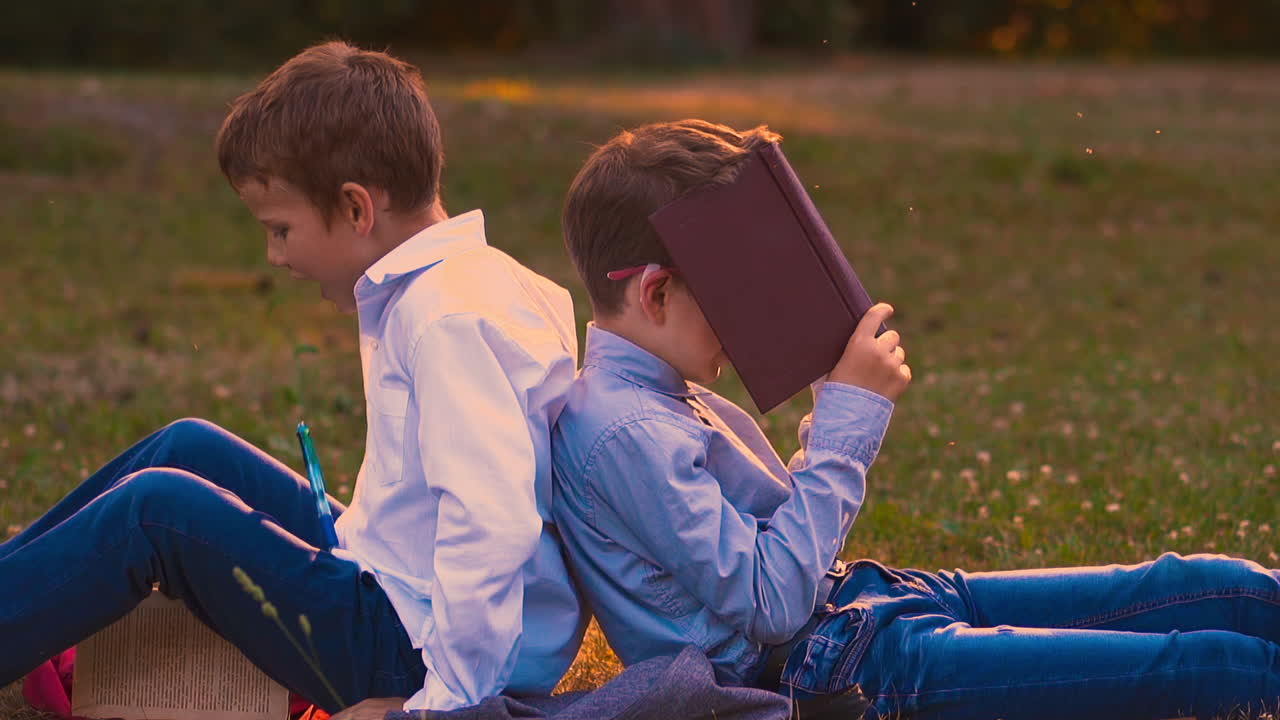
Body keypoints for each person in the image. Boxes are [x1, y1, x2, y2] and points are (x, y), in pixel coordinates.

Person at [549, 118, 1280, 720]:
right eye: (730, 293)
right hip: (840, 670)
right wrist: (842, 428)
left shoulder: (659, 397)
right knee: (1195, 664)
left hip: (870, 604)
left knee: (1209, 585)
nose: (745, 321)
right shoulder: (623, 433)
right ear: (654, 295)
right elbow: (770, 605)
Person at [2, 41, 587, 717]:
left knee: (155, 510)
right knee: (186, 446)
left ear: (357, 209)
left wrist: (438, 705)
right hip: (391, 580)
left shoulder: (445, 320)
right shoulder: (475, 280)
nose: (274, 255)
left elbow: (492, 525)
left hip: (410, 651)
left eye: (281, 230)